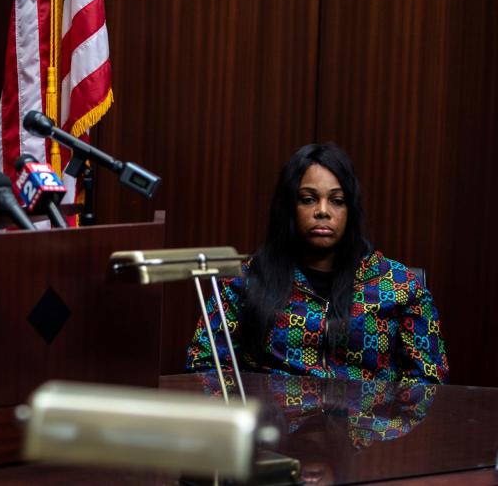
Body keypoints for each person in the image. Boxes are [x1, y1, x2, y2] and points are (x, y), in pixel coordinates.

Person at [186, 143, 449, 384]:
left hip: (364, 430)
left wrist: (380, 428)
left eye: (337, 201)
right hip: (273, 429)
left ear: (350, 210)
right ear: (290, 207)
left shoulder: (401, 286)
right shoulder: (243, 281)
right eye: (308, 199)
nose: (322, 211)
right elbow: (206, 367)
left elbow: (429, 381)